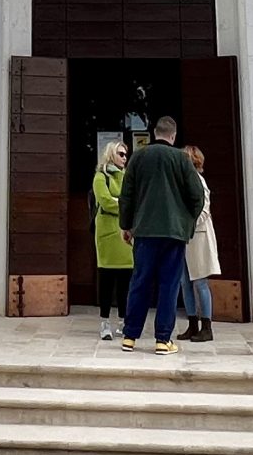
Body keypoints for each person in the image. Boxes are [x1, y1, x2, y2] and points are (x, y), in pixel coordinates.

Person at [117, 116, 207, 354]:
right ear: (173, 136)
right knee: (169, 285)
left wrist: (126, 225)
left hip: (145, 231)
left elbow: (127, 195)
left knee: (140, 282)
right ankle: (163, 340)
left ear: (154, 133)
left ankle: (130, 336)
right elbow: (197, 196)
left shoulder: (138, 157)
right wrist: (186, 223)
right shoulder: (181, 159)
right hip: (174, 234)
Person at [90, 138, 132, 339]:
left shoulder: (127, 176)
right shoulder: (101, 176)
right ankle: (104, 322)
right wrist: (122, 204)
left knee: (125, 280)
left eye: (126, 154)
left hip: (125, 234)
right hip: (107, 234)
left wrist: (121, 203)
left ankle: (124, 322)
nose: (125, 158)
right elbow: (105, 201)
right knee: (106, 279)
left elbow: (132, 199)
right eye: (121, 154)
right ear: (111, 154)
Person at [178, 145, 219, 344]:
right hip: (185, 238)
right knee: (185, 282)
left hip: (198, 237)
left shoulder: (198, 181)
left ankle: (207, 326)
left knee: (201, 282)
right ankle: (192, 323)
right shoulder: (183, 182)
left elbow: (204, 210)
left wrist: (187, 225)